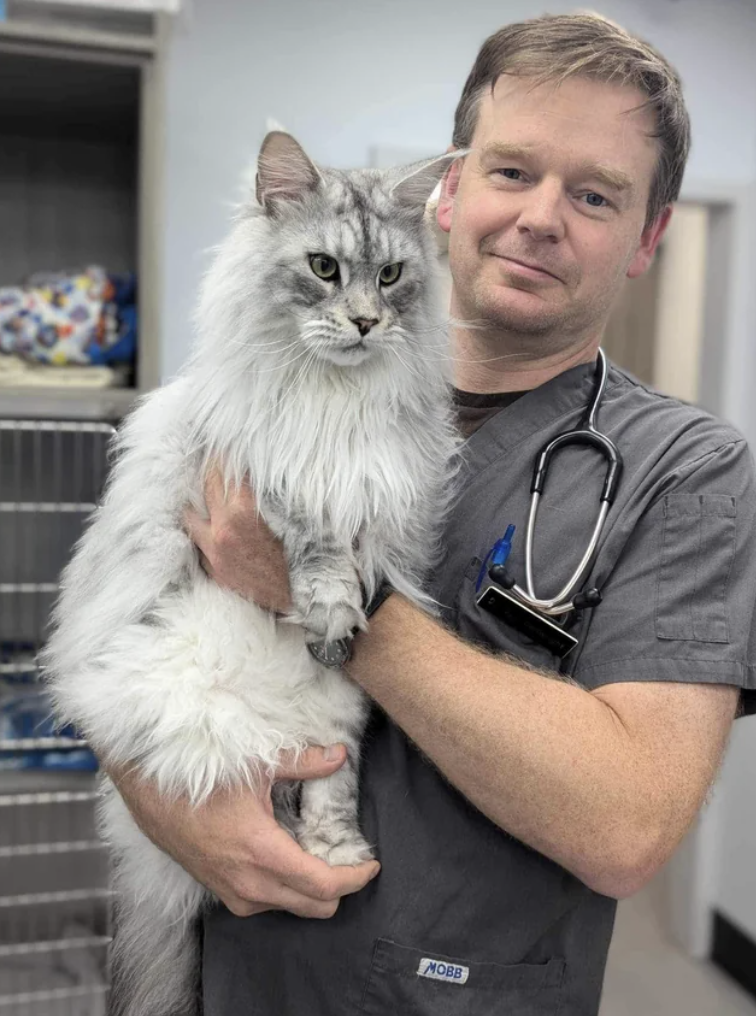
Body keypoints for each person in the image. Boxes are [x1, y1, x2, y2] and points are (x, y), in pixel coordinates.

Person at [116, 12, 756, 1015]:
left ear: (649, 236)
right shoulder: (254, 386)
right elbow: (117, 623)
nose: (542, 216)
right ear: (448, 195)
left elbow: (629, 824)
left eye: (595, 193)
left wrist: (335, 599)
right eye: (511, 171)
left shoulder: (690, 471)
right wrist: (150, 788)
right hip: (219, 969)